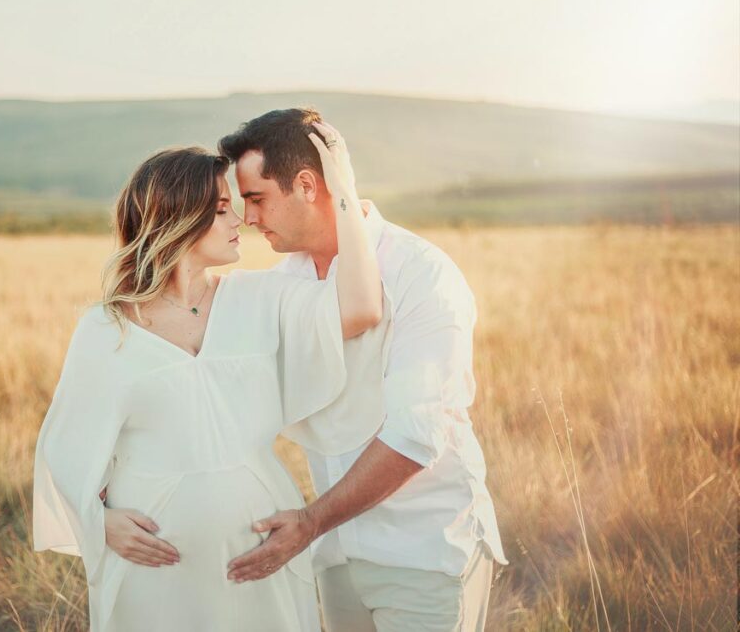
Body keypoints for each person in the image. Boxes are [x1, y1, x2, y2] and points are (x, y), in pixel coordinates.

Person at [33, 127, 390, 631]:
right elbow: (64, 447)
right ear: (178, 218)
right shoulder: (105, 328)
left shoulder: (259, 298)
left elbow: (360, 308)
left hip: (259, 550)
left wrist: (344, 188)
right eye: (222, 208)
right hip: (155, 566)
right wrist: (98, 522)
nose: (240, 219)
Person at [218, 108, 507, 632]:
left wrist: (309, 522)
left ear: (307, 184)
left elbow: (416, 436)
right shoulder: (286, 281)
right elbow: (223, 390)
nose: (249, 218)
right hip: (334, 558)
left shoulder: (423, 274)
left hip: (424, 552)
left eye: (257, 198)